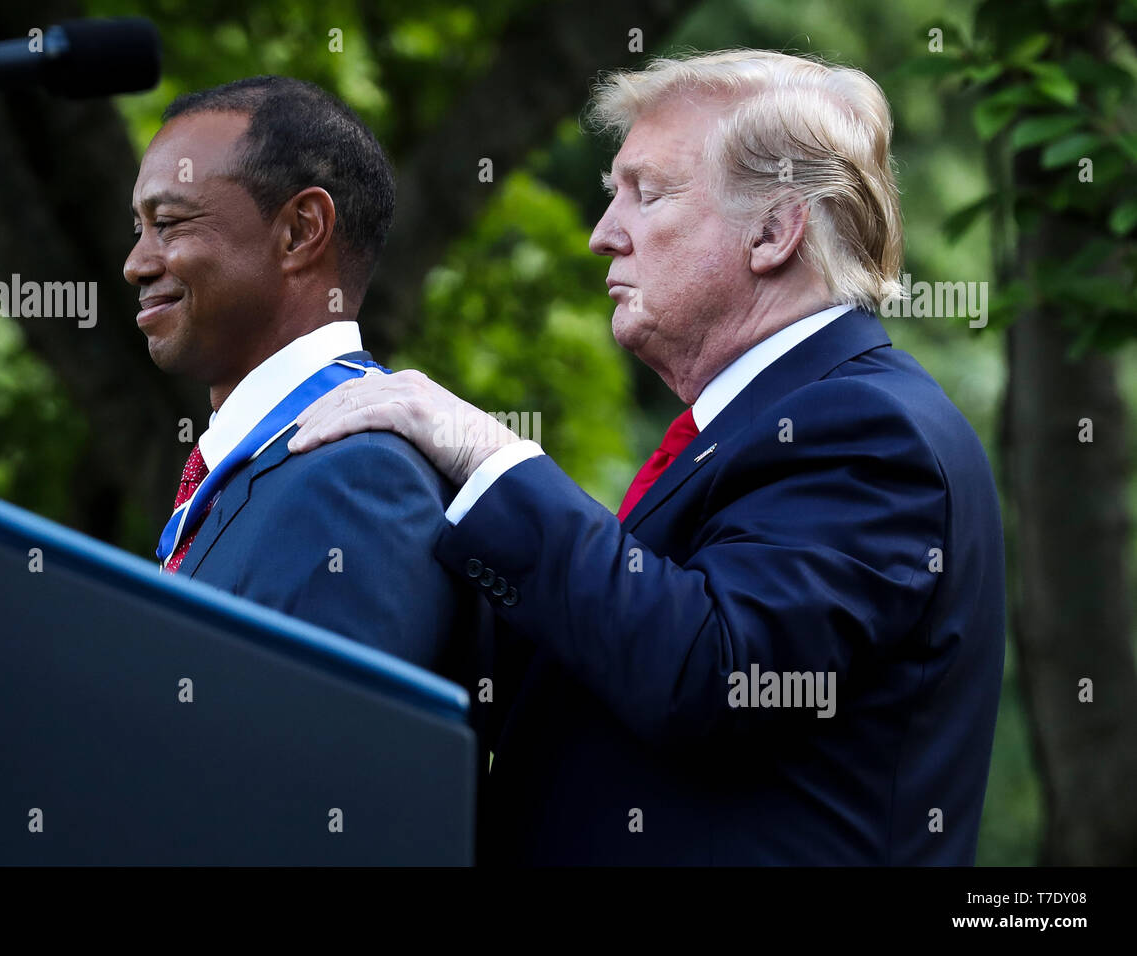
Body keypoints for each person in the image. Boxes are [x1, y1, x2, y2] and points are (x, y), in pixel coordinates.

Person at [291, 50, 1007, 865]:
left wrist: (487, 453)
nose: (604, 236)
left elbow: (714, 675)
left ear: (774, 231)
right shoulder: (767, 423)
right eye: (610, 196)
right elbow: (601, 666)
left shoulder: (871, 427)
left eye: (647, 192)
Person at [124, 76, 481, 682]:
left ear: (299, 231)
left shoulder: (361, 477)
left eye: (172, 223)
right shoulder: (251, 469)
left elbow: (330, 765)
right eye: (140, 228)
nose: (136, 263)